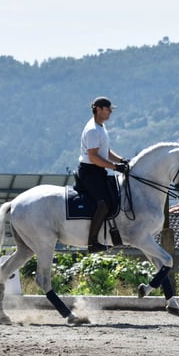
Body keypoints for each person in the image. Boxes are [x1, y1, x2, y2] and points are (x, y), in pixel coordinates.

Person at [77, 96, 129, 253]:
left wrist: (122, 160)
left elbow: (104, 151)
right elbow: (93, 156)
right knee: (103, 203)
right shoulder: (93, 129)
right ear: (98, 109)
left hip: (98, 170)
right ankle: (92, 242)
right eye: (108, 110)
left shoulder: (101, 127)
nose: (110, 113)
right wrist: (114, 167)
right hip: (89, 172)